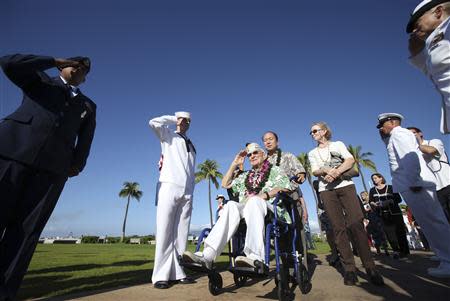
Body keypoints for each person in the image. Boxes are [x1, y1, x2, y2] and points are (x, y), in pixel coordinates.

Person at [0, 54, 96, 301]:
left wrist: (76, 165)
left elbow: (85, 140)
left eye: (83, 69)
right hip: (12, 154)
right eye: (74, 63)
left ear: (85, 78)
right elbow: (8, 63)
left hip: (52, 170)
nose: (78, 69)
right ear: (64, 66)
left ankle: (4, 292)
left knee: (26, 231)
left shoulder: (87, 106)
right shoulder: (40, 81)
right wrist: (52, 60)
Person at [182, 143, 291, 269]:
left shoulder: (275, 170)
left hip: (270, 209)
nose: (252, 156)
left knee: (254, 201)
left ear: (264, 155)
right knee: (231, 205)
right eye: (249, 155)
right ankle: (208, 256)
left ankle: (255, 257)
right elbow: (225, 183)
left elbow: (285, 187)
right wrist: (234, 163)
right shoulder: (246, 175)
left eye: (256, 152)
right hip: (246, 210)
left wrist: (264, 195)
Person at [307, 122, 383, 286]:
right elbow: (315, 171)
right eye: (311, 132)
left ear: (324, 131)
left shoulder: (338, 144)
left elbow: (350, 160)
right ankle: (349, 269)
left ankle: (370, 267)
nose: (312, 133)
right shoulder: (312, 153)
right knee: (338, 228)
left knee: (356, 223)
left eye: (315, 130)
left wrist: (337, 171)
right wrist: (326, 170)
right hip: (326, 190)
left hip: (346, 186)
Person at [377, 112, 450, 277]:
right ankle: (443, 256)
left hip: (415, 184)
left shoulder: (399, 133)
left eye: (382, 124)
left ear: (392, 122)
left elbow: (409, 158)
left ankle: (448, 261)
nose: (381, 128)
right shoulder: (395, 136)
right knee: (430, 223)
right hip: (412, 184)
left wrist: (415, 182)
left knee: (434, 222)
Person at [149, 112, 196, 289]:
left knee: (181, 234)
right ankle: (160, 275)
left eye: (186, 121)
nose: (183, 123)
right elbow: (153, 122)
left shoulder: (192, 144)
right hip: (169, 186)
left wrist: (191, 189)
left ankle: (179, 272)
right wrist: (172, 118)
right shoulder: (168, 135)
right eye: (181, 120)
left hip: (187, 191)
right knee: (164, 231)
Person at [407, 0, 450, 134]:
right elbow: (439, 73)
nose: (414, 30)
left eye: (417, 22)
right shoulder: (436, 40)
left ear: (438, 12)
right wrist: (418, 54)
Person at [407, 126, 450, 223]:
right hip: (435, 192)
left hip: (448, 183)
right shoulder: (413, 154)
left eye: (413, 133)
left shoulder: (434, 141)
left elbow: (430, 150)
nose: (411, 136)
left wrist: (418, 144)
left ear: (420, 133)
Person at [369, 173, 410, 258]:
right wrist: (374, 204)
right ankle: (396, 250)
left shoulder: (391, 187)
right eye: (373, 179)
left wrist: (390, 201)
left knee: (400, 232)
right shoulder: (372, 190)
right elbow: (371, 201)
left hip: (395, 213)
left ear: (381, 178)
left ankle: (405, 251)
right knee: (389, 234)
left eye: (376, 178)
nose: (374, 180)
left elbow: (398, 199)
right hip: (382, 214)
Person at [360, 191, 389, 256]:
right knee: (374, 235)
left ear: (367, 195)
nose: (362, 197)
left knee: (381, 234)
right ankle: (378, 250)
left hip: (375, 219)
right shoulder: (362, 204)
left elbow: (376, 208)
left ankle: (386, 249)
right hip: (369, 220)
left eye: (363, 195)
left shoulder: (371, 201)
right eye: (361, 196)